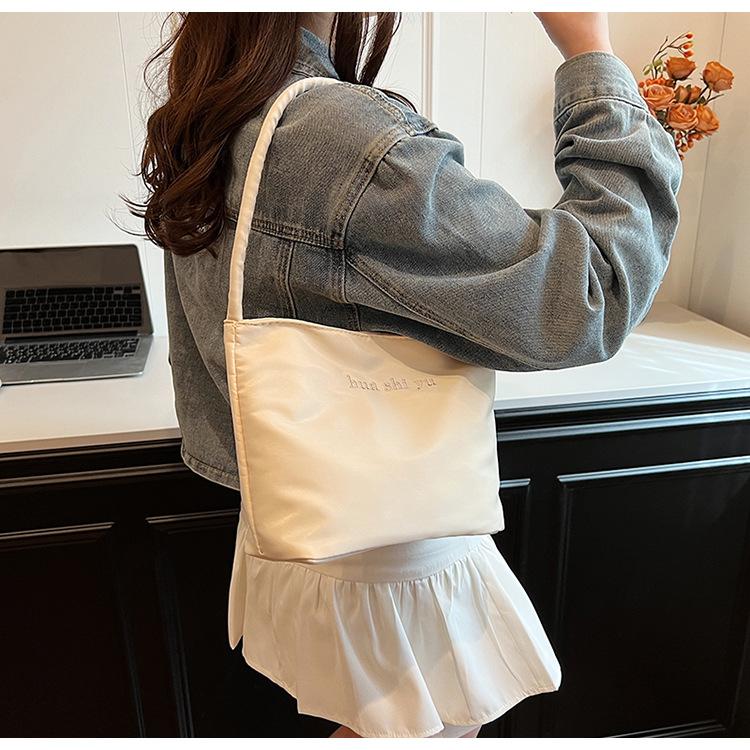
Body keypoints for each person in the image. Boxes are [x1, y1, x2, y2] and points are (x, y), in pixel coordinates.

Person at [127, 11, 682, 739]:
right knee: (420, 728)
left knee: (388, 728)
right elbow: (589, 292)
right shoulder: (338, 135)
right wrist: (590, 49)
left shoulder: (218, 108)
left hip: (302, 525)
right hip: (389, 548)